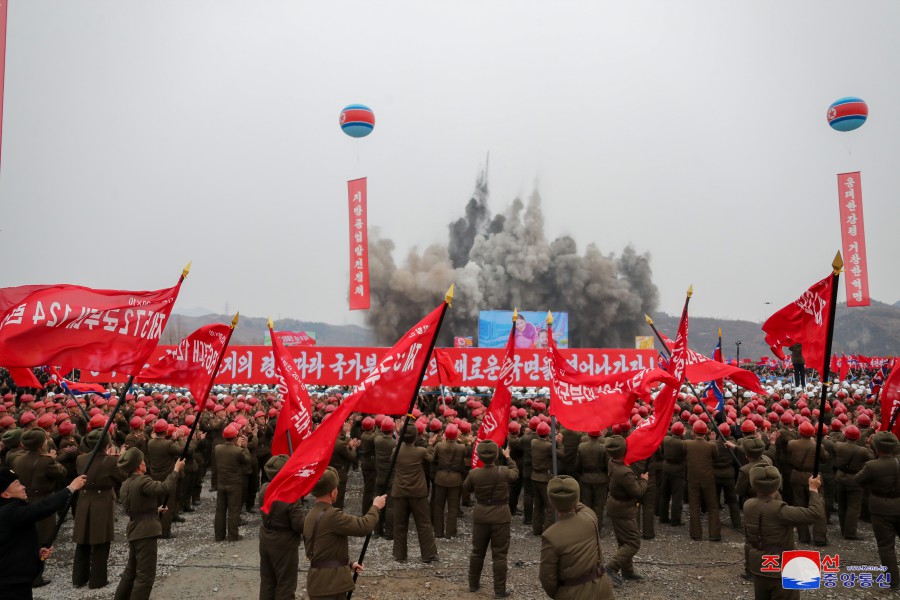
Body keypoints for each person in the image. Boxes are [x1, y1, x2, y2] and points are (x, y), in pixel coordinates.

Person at [0, 467, 87, 600]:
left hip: (15, 579)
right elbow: (42, 508)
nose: (23, 487)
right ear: (5, 494)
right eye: (18, 485)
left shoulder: (12, 509)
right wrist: (70, 488)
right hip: (10, 583)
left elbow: (13, 544)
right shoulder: (8, 512)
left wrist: (36, 553)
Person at [304, 467, 386, 600]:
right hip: (331, 585)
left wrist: (349, 563)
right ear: (332, 492)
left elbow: (323, 550)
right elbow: (363, 526)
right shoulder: (332, 515)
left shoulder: (311, 515)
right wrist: (376, 507)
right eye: (336, 487)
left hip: (318, 583)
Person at [743, 465, 825, 599]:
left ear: (753, 484)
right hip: (782, 567)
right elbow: (815, 514)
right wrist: (813, 489)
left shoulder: (748, 505)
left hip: (758, 564)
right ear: (778, 485)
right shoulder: (780, 510)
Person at [113, 447, 185, 600]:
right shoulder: (143, 481)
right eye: (143, 461)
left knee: (131, 571)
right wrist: (176, 470)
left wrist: (154, 510)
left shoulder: (126, 483)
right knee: (145, 575)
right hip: (145, 532)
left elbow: (136, 506)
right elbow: (165, 488)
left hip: (134, 528)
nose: (145, 464)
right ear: (139, 466)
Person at [540, 475, 617, 599]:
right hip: (601, 588)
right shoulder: (590, 516)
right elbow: (580, 506)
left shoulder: (550, 535)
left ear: (552, 503)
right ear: (576, 499)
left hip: (572, 593)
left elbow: (547, 578)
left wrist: (560, 594)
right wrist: (571, 496)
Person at [462, 440, 519, 598]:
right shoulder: (503, 471)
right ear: (496, 455)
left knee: (477, 551)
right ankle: (499, 589)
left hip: (481, 514)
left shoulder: (474, 474)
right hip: (501, 515)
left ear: (479, 456)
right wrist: (508, 457)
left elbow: (466, 487)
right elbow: (515, 473)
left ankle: (473, 584)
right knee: (500, 554)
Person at [72, 429, 127, 589]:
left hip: (84, 500)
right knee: (101, 541)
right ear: (106, 444)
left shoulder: (81, 459)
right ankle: (98, 579)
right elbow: (122, 477)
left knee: (82, 540)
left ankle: (79, 578)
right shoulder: (111, 461)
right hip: (102, 500)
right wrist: (119, 457)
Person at [854, 431, 900, 589]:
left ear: (876, 447)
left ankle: (893, 581)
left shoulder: (872, 466)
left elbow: (857, 480)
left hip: (880, 509)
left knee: (886, 546)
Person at [257, 454, 305, 600]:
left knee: (267, 582)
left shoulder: (264, 488)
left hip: (266, 539)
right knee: (285, 585)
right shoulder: (290, 496)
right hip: (284, 545)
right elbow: (299, 526)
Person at [392, 423, 439, 563]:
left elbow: (391, 461)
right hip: (418, 492)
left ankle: (400, 555)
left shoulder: (396, 450)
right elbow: (431, 458)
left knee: (400, 524)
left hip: (399, 491)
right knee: (424, 524)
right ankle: (428, 554)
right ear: (416, 437)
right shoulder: (421, 451)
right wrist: (430, 445)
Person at [604, 434, 648, 581]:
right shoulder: (624, 472)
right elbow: (637, 492)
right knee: (633, 542)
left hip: (615, 505)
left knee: (624, 541)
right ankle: (611, 567)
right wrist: (643, 480)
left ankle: (627, 571)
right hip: (623, 509)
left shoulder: (612, 463)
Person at [685, 420, 721, 541]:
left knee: (694, 507)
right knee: (713, 506)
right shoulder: (711, 445)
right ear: (706, 433)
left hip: (693, 479)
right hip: (708, 479)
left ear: (693, 432)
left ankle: (696, 534)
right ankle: (714, 534)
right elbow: (716, 457)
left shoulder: (687, 444)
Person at [214, 423, 251, 541]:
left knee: (220, 510)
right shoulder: (238, 451)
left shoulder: (217, 448)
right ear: (235, 437)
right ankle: (233, 536)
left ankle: (219, 536)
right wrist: (243, 447)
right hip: (234, 484)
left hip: (221, 483)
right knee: (233, 511)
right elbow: (247, 460)